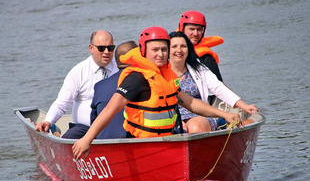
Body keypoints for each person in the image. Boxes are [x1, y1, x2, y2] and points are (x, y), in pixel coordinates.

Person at [72, 26, 242, 160]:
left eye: (164, 49)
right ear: (143, 50)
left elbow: (189, 102)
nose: (160, 54)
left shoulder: (166, 74)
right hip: (144, 145)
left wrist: (224, 115)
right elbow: (111, 109)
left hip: (167, 142)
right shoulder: (136, 78)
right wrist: (87, 139)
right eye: (155, 50)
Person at [169, 31, 258, 133]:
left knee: (196, 126)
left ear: (188, 49)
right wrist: (178, 121)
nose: (179, 50)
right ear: (167, 49)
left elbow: (218, 88)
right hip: (172, 117)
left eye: (183, 46)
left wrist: (245, 106)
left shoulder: (198, 68)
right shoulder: (161, 72)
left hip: (200, 115)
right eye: (174, 46)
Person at [35, 30, 118, 138]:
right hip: (84, 128)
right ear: (91, 48)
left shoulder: (120, 68)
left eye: (110, 48)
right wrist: (48, 122)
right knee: (68, 141)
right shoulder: (78, 71)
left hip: (114, 127)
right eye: (101, 48)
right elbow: (62, 103)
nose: (106, 52)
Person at [90, 40, 138, 139]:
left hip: (104, 145)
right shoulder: (146, 82)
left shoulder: (99, 86)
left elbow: (93, 121)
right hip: (135, 145)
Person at [178, 10, 224, 82]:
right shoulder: (168, 50)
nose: (196, 33)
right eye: (192, 29)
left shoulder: (207, 59)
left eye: (199, 30)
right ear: (182, 28)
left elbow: (219, 87)